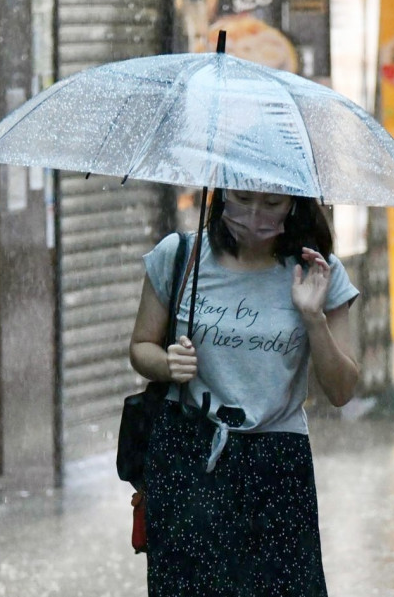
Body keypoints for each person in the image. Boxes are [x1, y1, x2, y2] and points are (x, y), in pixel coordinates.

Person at [129, 187, 360, 596]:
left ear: (293, 204)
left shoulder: (320, 272)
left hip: (277, 467)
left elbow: (342, 389)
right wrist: (167, 363)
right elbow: (140, 347)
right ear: (221, 195)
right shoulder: (179, 257)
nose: (255, 216)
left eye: (271, 204)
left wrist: (313, 318)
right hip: (189, 458)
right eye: (242, 199)